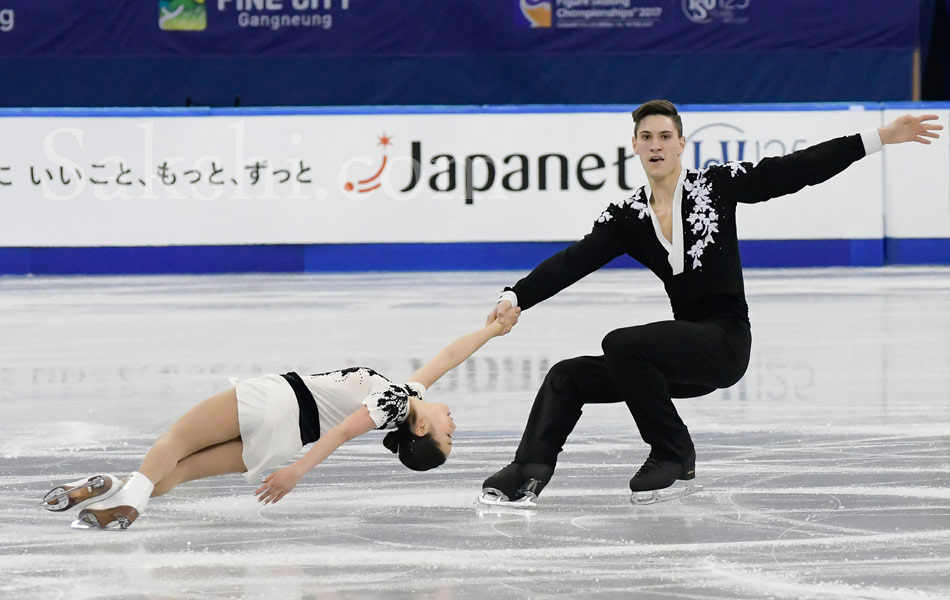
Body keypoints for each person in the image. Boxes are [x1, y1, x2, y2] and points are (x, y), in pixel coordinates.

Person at [480, 100, 942, 506]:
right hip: (675, 357)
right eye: (647, 137)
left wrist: (879, 137)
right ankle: (529, 472)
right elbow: (572, 261)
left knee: (620, 344)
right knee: (568, 376)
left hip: (723, 342)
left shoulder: (716, 188)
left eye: (665, 136)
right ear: (635, 147)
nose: (656, 144)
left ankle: (674, 452)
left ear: (682, 144)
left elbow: (795, 169)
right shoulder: (628, 217)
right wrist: (516, 295)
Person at [41, 316, 517, 529]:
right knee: (178, 471)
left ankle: (131, 503)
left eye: (448, 433)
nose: (454, 422)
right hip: (283, 438)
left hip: (278, 401)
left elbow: (341, 432)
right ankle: (112, 487)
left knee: (173, 441)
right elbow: (449, 357)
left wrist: (297, 474)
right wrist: (493, 330)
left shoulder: (392, 401)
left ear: (419, 430)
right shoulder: (406, 396)